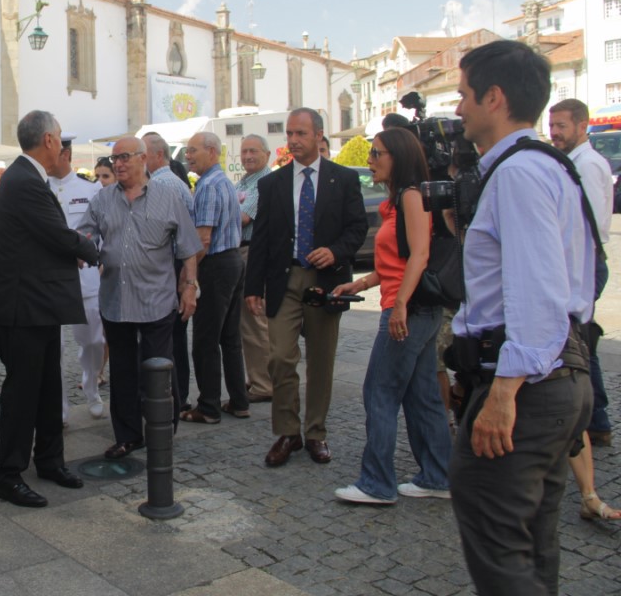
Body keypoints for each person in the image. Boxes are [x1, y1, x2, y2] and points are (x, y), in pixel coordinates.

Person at [448, 40, 593, 594]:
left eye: (464, 96)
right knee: (533, 541)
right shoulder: (543, 166)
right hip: (557, 375)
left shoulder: (518, 173)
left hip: (528, 383)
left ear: (494, 97)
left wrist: (504, 393)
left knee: (501, 543)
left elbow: (538, 291)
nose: (458, 109)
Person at [331, 128, 453, 504]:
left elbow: (419, 255)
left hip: (409, 309)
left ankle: (377, 483)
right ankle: (437, 476)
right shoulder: (400, 199)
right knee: (422, 395)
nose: (370, 161)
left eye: (376, 153)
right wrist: (362, 283)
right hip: (413, 307)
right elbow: (396, 260)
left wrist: (399, 304)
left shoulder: (411, 196)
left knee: (379, 392)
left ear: (397, 156)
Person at [0, 110, 100, 508]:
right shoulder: (23, 181)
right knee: (23, 394)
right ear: (49, 141)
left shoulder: (27, 177)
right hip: (22, 308)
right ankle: (8, 474)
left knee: (49, 387)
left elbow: (38, 238)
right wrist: (91, 250)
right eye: (60, 141)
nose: (63, 148)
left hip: (39, 303)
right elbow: (55, 233)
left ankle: (50, 460)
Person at [245, 107, 368, 467]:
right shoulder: (273, 184)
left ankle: (316, 432)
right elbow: (262, 239)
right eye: (290, 134)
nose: (294, 141)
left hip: (326, 282)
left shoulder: (343, 179)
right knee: (280, 356)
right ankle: (288, 432)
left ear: (319, 135)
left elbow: (357, 228)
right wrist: (253, 286)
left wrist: (336, 252)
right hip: (285, 279)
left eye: (301, 134)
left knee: (321, 359)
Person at [78, 137, 201, 459]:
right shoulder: (102, 199)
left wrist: (190, 287)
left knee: (158, 370)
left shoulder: (169, 197)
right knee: (122, 372)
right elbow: (86, 233)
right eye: (114, 158)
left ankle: (164, 429)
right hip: (116, 300)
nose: (117, 163)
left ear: (143, 158)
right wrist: (82, 246)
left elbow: (188, 248)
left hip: (156, 301)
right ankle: (128, 436)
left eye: (124, 157)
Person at [548, 99, 618, 520]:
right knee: (582, 346)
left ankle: (594, 419)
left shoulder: (586, 165)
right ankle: (598, 419)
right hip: (581, 262)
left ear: (582, 125)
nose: (554, 132)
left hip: (584, 262)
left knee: (578, 347)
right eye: (551, 125)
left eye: (560, 126)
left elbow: (584, 224)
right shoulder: (571, 160)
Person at [182, 131, 248, 424]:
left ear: (211, 151)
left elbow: (203, 239)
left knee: (206, 340)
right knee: (230, 338)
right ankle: (238, 400)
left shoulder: (208, 185)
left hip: (217, 266)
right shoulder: (223, 181)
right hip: (233, 261)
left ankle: (208, 407)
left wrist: (188, 274)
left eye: (192, 150)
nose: (188, 156)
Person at [49, 132, 106, 420]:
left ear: (67, 155)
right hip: (51, 280)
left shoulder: (91, 190)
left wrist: (103, 263)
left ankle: (91, 384)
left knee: (94, 341)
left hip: (86, 279)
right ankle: (60, 406)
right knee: (53, 348)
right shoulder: (39, 188)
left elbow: (102, 232)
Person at [141, 132, 195, 410]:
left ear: (158, 155)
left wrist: (185, 280)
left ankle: (173, 397)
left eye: (143, 153)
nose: (139, 159)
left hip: (170, 268)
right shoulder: (176, 182)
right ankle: (179, 395)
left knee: (168, 339)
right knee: (174, 338)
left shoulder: (160, 185)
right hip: (176, 267)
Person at [236, 135, 274, 403]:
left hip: (252, 252)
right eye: (244, 151)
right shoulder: (245, 181)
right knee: (247, 322)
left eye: (253, 151)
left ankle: (264, 383)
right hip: (243, 251)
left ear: (267, 154)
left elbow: (242, 217)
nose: (248, 155)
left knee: (254, 318)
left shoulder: (263, 182)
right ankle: (256, 378)